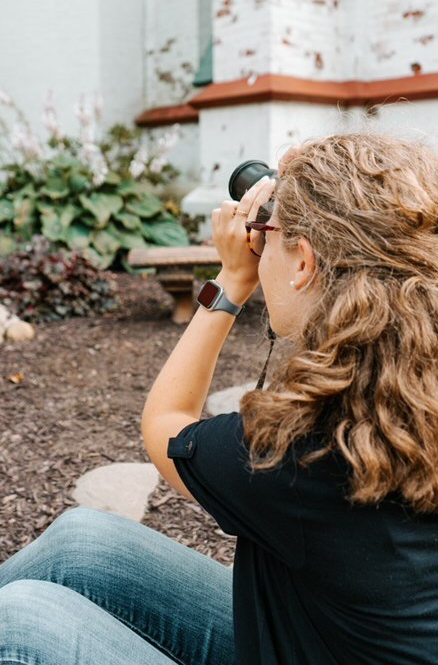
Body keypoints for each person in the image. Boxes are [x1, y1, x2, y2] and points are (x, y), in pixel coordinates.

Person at [1, 133, 438, 665]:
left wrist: (232, 279)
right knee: (84, 543)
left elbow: (167, 422)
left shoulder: (312, 444)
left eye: (267, 233)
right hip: (332, 641)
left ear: (304, 262)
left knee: (23, 621)